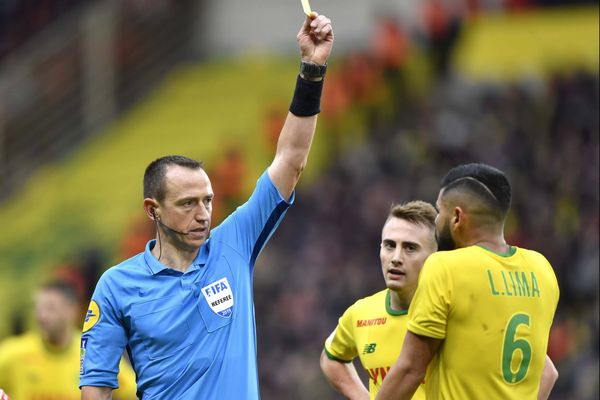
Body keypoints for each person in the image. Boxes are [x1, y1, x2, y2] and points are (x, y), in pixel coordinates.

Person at [79, 12, 334, 400]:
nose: (203, 213)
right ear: (153, 210)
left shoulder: (233, 244)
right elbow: (96, 389)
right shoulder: (117, 287)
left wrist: (312, 70)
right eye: (187, 203)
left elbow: (291, 159)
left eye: (208, 201)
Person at [377, 163, 560, 400]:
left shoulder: (446, 267)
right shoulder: (542, 269)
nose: (436, 223)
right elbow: (547, 372)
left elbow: (411, 369)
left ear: (457, 217)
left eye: (439, 212)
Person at [321, 201, 438, 400]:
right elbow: (331, 358)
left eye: (410, 248)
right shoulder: (361, 313)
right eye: (390, 245)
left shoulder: (450, 314)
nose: (396, 257)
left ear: (437, 256)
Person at [0, 281, 136, 400]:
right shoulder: (13, 353)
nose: (42, 316)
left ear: (72, 309)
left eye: (50, 309)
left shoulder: (92, 352)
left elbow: (134, 392)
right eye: (38, 309)